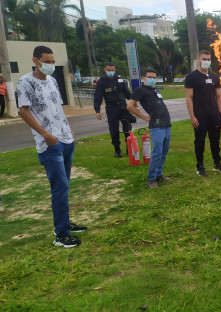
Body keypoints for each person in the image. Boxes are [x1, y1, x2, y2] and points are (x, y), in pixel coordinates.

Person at [16, 46, 87, 248]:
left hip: (65, 139)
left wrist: (69, 130)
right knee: (59, 187)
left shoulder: (53, 81)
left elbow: (57, 109)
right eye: (46, 61)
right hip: (50, 144)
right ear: (35, 61)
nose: (50, 65)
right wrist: (46, 135)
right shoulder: (25, 82)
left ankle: (65, 223)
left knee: (65, 186)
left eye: (52, 61)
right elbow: (23, 111)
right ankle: (60, 234)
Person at [127, 68, 172, 188]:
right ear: (143, 78)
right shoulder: (140, 90)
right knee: (157, 152)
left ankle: (159, 174)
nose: (152, 79)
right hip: (156, 126)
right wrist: (143, 117)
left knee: (164, 152)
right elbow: (130, 106)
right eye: (150, 77)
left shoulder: (155, 90)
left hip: (166, 124)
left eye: (154, 77)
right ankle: (151, 178)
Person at [185, 50, 221, 176]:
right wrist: (192, 117)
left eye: (208, 59)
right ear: (198, 60)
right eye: (204, 59)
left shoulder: (214, 77)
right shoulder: (191, 77)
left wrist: (220, 114)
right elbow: (189, 98)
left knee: (215, 141)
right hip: (200, 116)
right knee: (200, 142)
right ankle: (200, 166)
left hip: (214, 116)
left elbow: (219, 96)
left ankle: (217, 164)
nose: (206, 61)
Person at [94, 62, 135, 158]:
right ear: (105, 70)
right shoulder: (102, 81)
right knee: (114, 130)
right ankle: (117, 150)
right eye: (109, 70)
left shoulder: (120, 80)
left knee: (127, 128)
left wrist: (134, 104)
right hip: (111, 108)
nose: (111, 72)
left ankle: (129, 148)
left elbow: (127, 93)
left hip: (123, 107)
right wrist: (97, 111)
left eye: (113, 70)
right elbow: (98, 97)